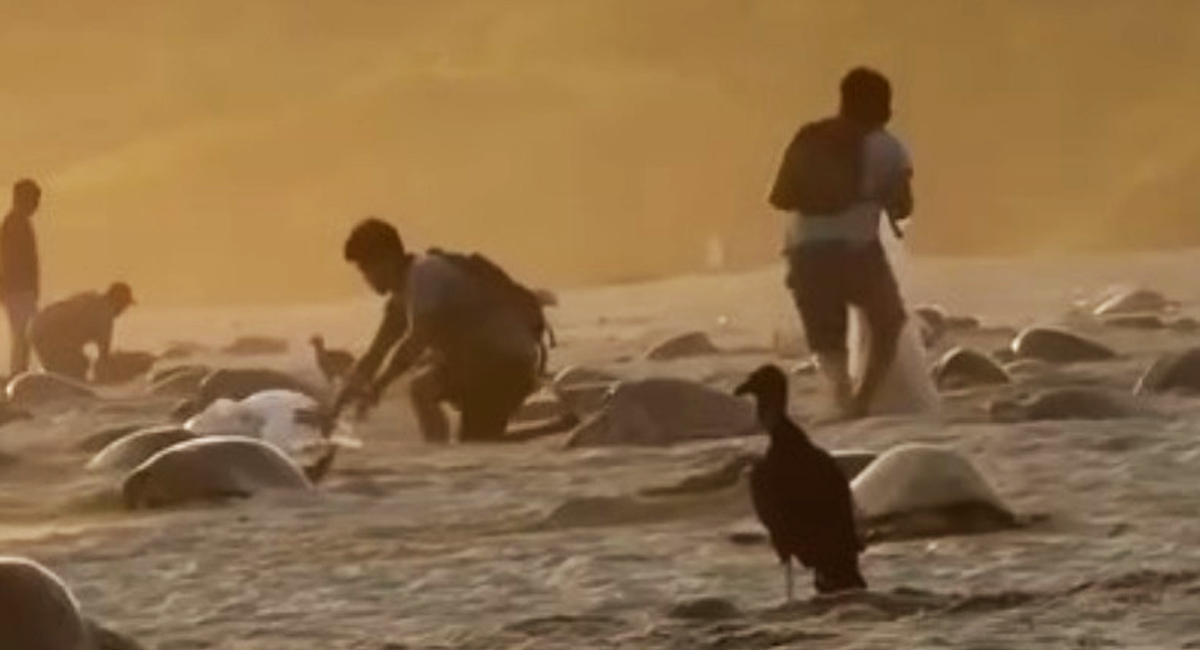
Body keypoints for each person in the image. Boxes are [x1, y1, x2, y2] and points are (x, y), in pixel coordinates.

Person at [768, 67, 914, 419]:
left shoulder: (807, 137)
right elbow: (904, 206)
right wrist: (872, 196)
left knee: (828, 341)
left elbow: (780, 198)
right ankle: (862, 401)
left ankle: (840, 398)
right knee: (889, 322)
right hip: (855, 251)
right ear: (878, 107)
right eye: (887, 104)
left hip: (804, 252)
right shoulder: (887, 147)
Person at [334, 218, 542, 443]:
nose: (366, 278)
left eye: (367, 268)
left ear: (389, 259)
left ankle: (443, 455)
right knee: (424, 391)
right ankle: (439, 452)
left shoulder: (425, 274)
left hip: (505, 364)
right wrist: (336, 407)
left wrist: (378, 386)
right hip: (478, 366)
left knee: (474, 442)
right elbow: (375, 353)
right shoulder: (400, 299)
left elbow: (416, 340)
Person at [28, 282, 135, 382]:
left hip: (37, 326)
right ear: (118, 301)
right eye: (124, 305)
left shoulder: (92, 298)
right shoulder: (105, 314)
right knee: (78, 366)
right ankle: (59, 387)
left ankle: (52, 381)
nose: (124, 310)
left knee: (75, 364)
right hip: (49, 332)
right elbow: (103, 358)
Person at [0, 179, 42, 375]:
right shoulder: (15, 222)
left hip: (20, 290)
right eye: (34, 199)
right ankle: (17, 374)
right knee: (23, 335)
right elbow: (8, 258)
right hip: (17, 290)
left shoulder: (18, 221)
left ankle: (19, 372)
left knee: (25, 335)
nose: (37, 205)